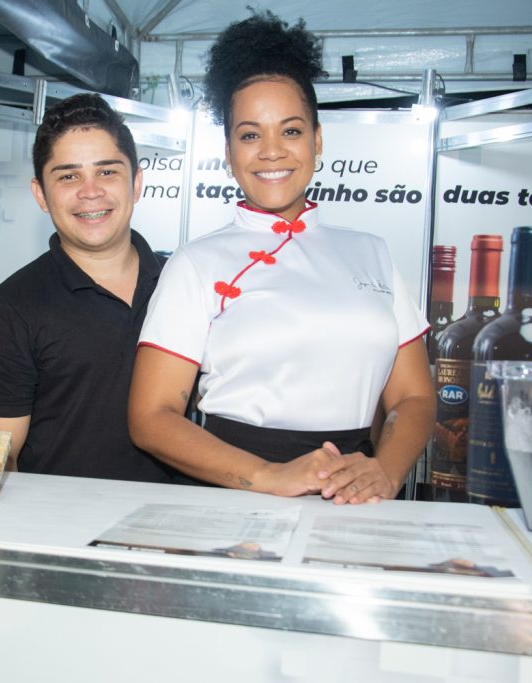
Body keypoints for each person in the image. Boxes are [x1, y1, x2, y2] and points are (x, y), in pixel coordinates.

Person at [128, 12, 434, 503]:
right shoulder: (195, 262)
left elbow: (413, 396)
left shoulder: (372, 253)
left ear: (317, 140)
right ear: (228, 152)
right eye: (250, 135)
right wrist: (269, 474)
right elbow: (151, 417)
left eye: (290, 131)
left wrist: (386, 472)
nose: (272, 152)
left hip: (356, 497)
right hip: (234, 492)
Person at [0, 93, 177, 483]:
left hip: (181, 518)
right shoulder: (5, 311)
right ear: (40, 194)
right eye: (68, 176)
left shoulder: (184, 285)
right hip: (61, 521)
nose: (90, 191)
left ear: (136, 183)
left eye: (107, 172)